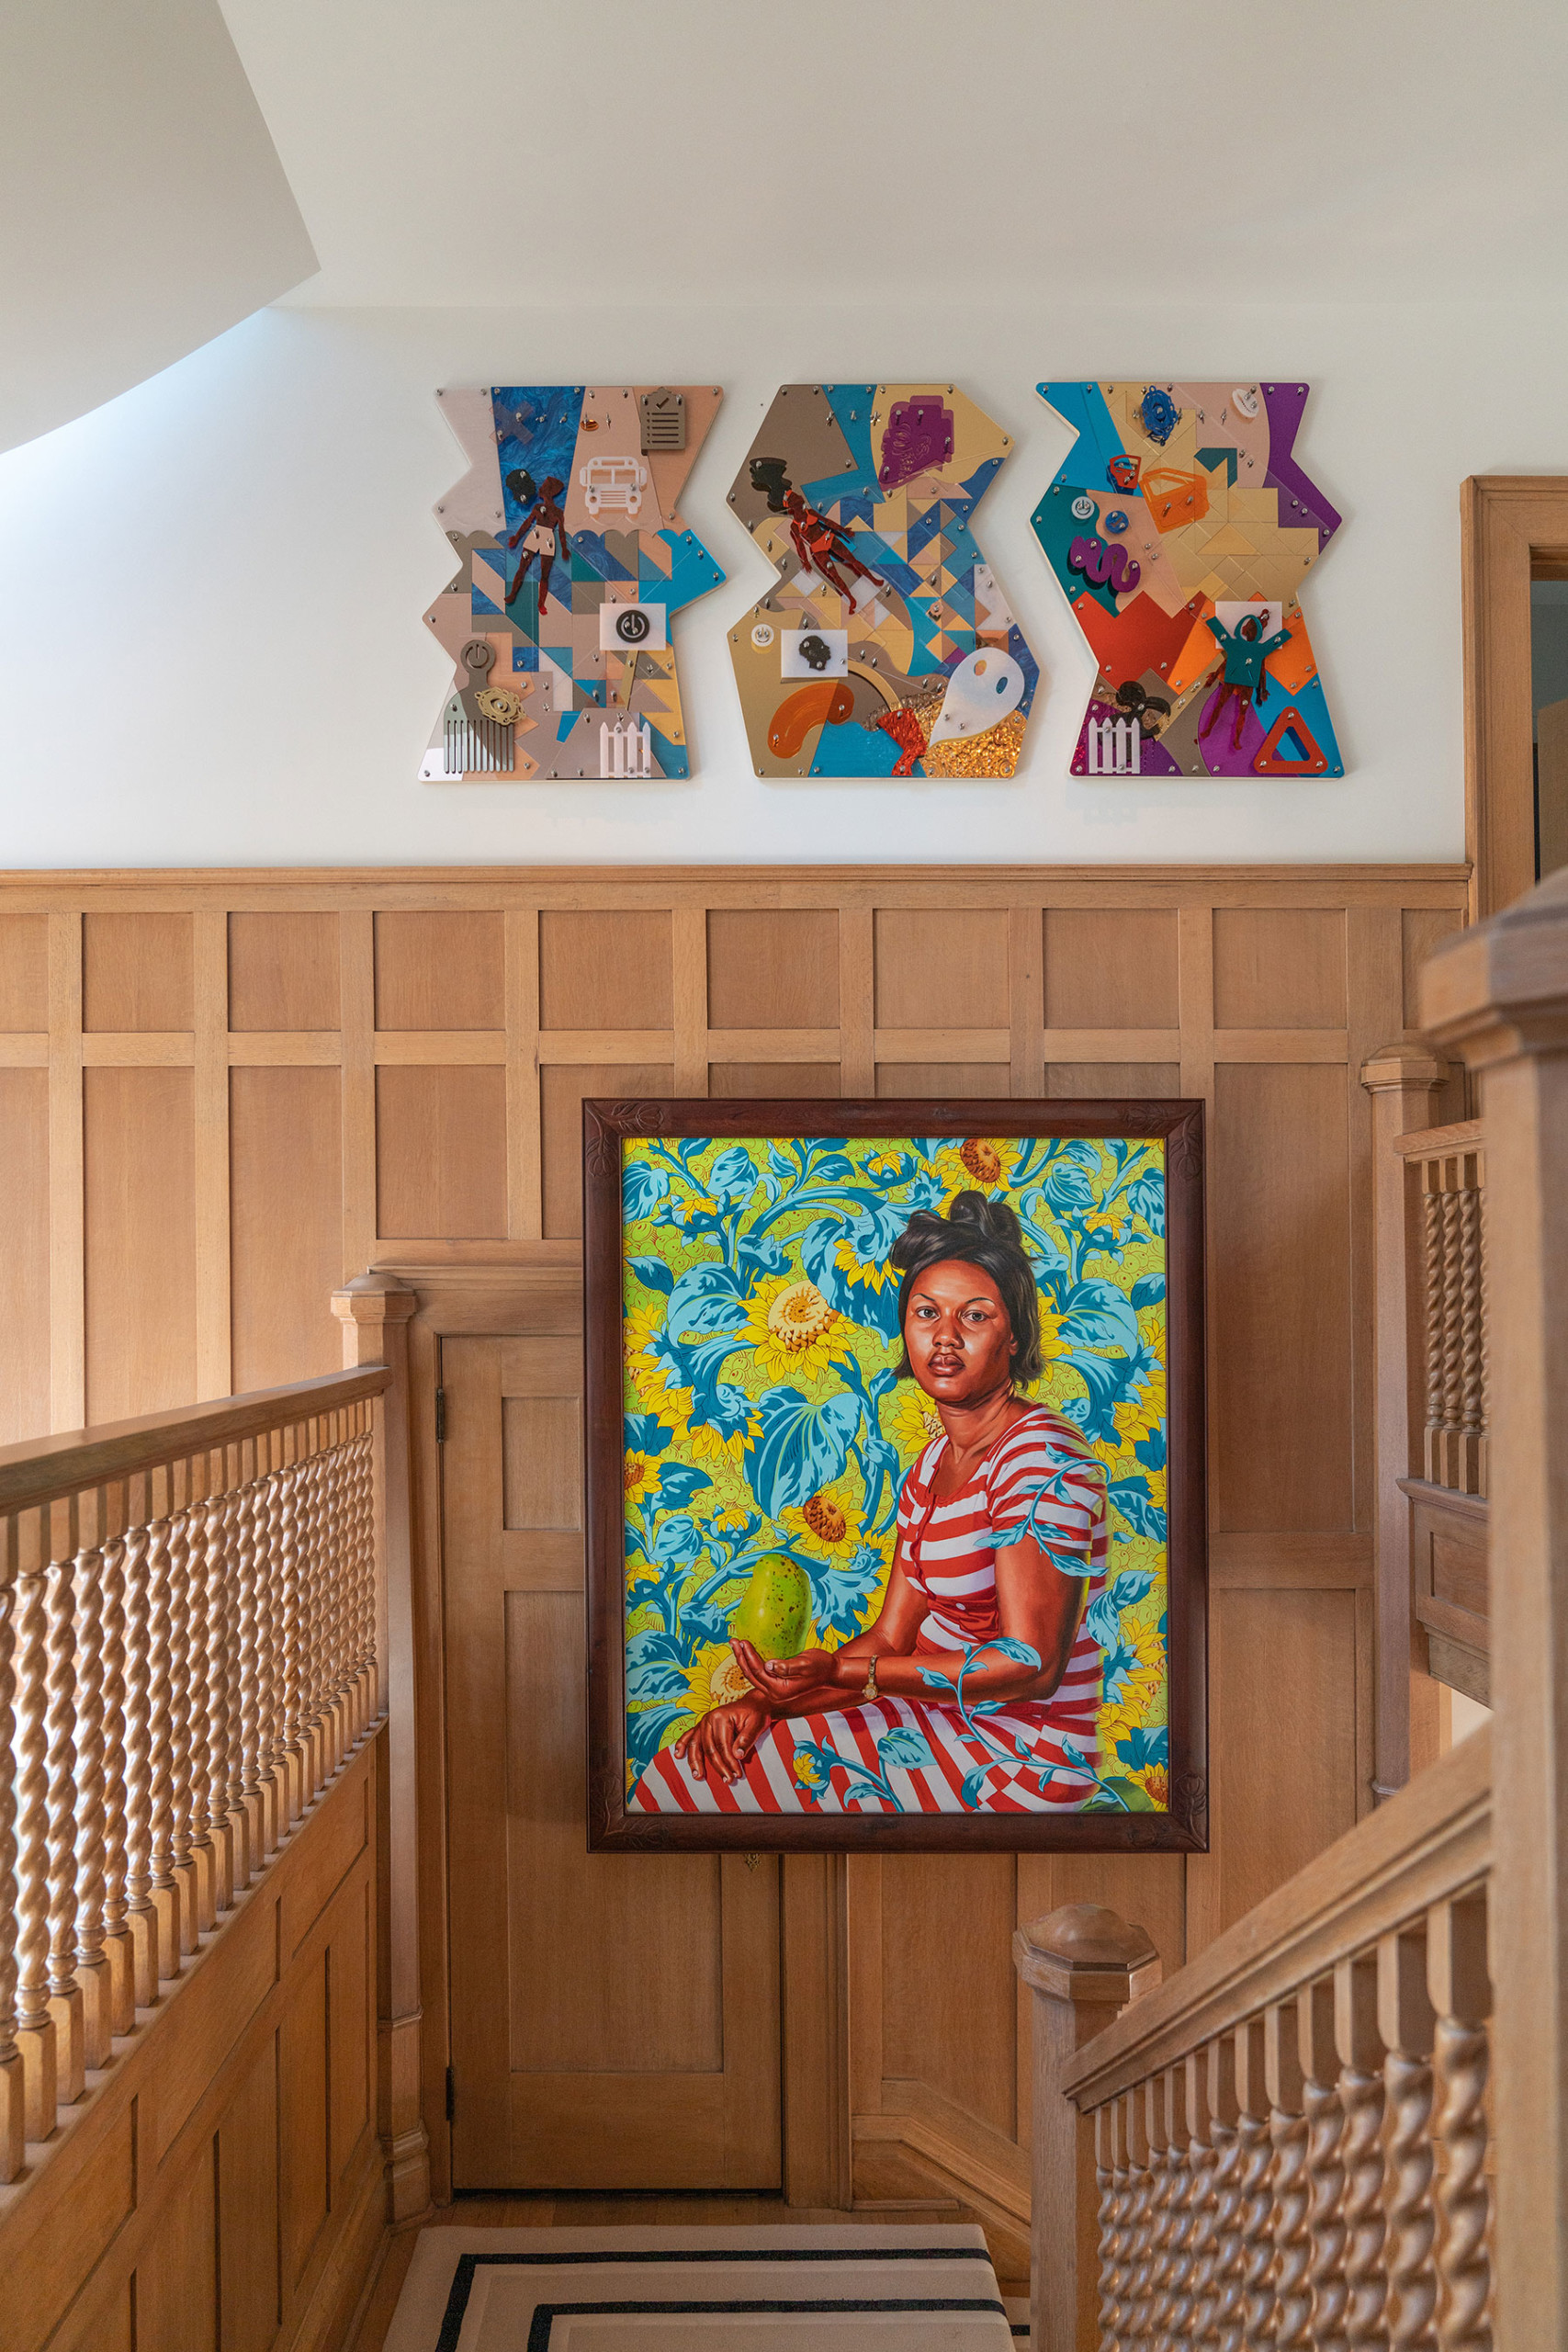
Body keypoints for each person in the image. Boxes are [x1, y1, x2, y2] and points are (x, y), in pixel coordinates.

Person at [632, 1193, 1110, 1816]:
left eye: (974, 1317)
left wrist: (839, 1673)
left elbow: (1029, 1665)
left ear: (1015, 1335)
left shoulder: (1040, 1459)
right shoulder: (930, 1467)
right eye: (925, 1313)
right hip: (930, 1715)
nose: (943, 1337)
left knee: (702, 1789)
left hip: (1020, 1753)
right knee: (699, 1758)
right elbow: (890, 1636)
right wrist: (766, 1703)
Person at [783, 488, 886, 612]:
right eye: (796, 500)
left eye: (798, 498)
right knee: (834, 575)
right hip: (817, 548)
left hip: (828, 538)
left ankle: (873, 579)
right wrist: (805, 561)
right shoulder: (794, 526)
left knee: (853, 560)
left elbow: (827, 522)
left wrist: (843, 530)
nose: (800, 500)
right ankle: (851, 599)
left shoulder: (810, 512)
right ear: (792, 506)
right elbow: (800, 544)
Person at [1199, 607, 1289, 751]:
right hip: (1236, 678)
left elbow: (1261, 670)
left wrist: (1262, 690)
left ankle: (1235, 739)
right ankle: (1211, 730)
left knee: (1240, 711)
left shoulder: (1257, 650)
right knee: (1223, 706)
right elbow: (1228, 662)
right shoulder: (1246, 647)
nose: (1251, 633)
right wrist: (1215, 676)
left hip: (1246, 681)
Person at [506, 475, 570, 616]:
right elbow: (527, 523)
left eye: (543, 489)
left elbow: (562, 532)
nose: (540, 491)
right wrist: (516, 537)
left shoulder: (557, 512)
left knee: (543, 574)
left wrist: (564, 548)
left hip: (546, 537)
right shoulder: (538, 507)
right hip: (537, 535)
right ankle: (513, 594)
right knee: (522, 568)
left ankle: (541, 604)